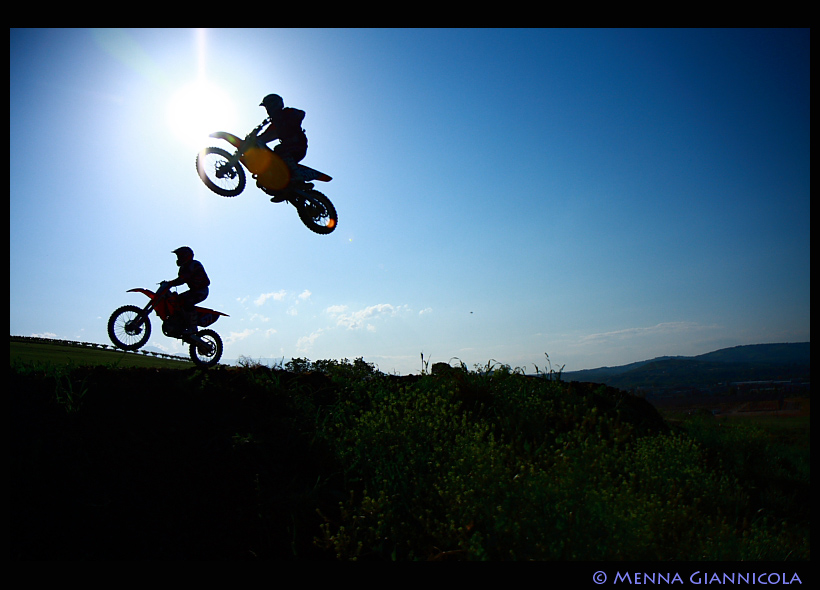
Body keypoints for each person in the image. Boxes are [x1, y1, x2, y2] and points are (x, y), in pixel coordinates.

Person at [256, 93, 308, 186]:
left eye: (268, 106)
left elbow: (301, 113)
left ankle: (297, 177)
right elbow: (266, 135)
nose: (267, 109)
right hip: (289, 146)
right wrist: (256, 139)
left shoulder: (287, 113)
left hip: (298, 145)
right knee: (271, 160)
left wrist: (288, 122)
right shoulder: (276, 122)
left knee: (279, 149)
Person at [165, 246, 210, 334]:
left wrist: (171, 283)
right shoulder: (183, 268)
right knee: (176, 301)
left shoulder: (194, 264)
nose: (178, 258)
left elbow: (183, 279)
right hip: (193, 291)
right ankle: (180, 322)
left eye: (180, 256)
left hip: (201, 291)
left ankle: (192, 327)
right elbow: (181, 279)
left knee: (187, 302)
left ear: (186, 256)